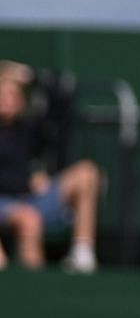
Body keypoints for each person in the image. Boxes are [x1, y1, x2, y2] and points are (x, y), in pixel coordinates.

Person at [0, 61, 100, 273]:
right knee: (29, 220)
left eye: (12, 95)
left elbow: (62, 103)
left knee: (87, 172)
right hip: (6, 202)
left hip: (30, 199)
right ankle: (30, 291)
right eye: (1, 94)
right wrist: (27, 181)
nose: (6, 101)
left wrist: (32, 77)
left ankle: (82, 254)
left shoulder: (27, 129)